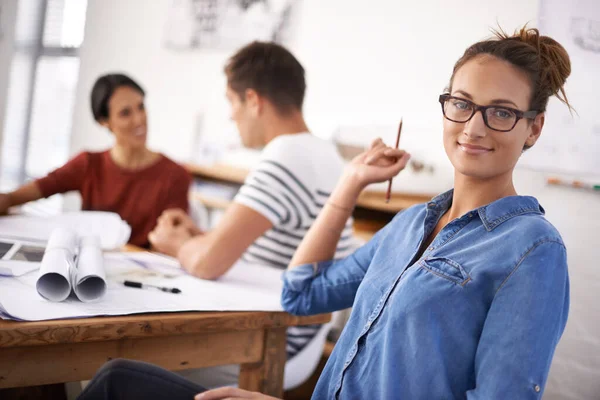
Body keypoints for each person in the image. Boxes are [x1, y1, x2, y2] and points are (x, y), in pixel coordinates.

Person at [77, 25, 571, 400]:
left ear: (534, 128)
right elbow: (302, 292)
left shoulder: (532, 250)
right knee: (117, 380)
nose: (474, 126)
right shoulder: (410, 225)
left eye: (502, 112)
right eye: (461, 104)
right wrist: (350, 183)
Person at [146, 41, 356, 387]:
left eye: (232, 101)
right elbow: (271, 245)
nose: (230, 115)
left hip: (270, 342)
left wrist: (174, 244)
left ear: (254, 101)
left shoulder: (286, 155)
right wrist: (197, 238)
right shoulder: (325, 153)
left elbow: (207, 264)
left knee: (115, 357)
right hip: (299, 339)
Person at [0, 74, 192, 248]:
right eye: (126, 113)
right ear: (104, 121)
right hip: (87, 268)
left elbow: (172, 242)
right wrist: (7, 200)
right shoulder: (89, 164)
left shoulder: (175, 175)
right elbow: (38, 189)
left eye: (141, 107)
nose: (139, 119)